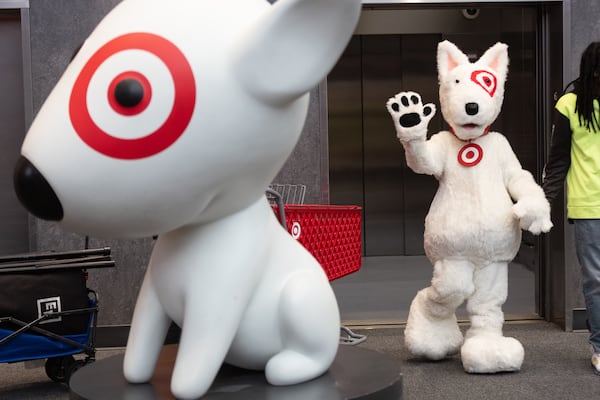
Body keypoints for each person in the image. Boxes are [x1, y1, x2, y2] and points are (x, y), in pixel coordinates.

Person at [543, 41, 600, 375]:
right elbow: (559, 159)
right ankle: (599, 346)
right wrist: (541, 204)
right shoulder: (568, 105)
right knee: (595, 282)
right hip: (588, 205)